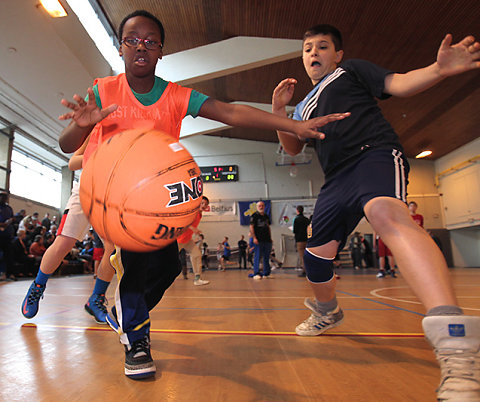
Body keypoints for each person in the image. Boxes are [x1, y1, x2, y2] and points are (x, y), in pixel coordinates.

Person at [56, 10, 347, 380]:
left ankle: (131, 315)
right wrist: (83, 125)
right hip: (114, 196)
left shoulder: (176, 96)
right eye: (132, 40)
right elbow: (67, 146)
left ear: (161, 50)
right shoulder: (103, 90)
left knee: (169, 267)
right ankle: (137, 341)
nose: (141, 47)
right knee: (137, 265)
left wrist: (291, 123)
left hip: (158, 200)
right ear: (120, 47)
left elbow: (232, 113)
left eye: (150, 41)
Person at [272, 24, 480, 400]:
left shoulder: (350, 71)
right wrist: (279, 110)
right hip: (335, 180)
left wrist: (438, 70)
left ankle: (456, 344)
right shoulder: (303, 106)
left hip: (374, 155)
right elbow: (291, 147)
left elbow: (398, 83)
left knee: (387, 216)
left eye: (322, 46)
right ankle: (328, 311)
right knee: (316, 261)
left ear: (336, 54)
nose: (313, 52)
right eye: (306, 48)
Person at [21, 138, 116, 325]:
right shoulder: (97, 129)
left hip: (111, 196)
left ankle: (96, 298)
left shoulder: (133, 131)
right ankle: (37, 286)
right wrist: (99, 155)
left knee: (113, 250)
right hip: (85, 191)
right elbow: (73, 163)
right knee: (64, 242)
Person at [177, 196, 210, 286]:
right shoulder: (192, 212)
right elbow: (182, 223)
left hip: (187, 240)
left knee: (197, 255)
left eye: (206, 204)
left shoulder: (199, 214)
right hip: (178, 240)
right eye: (202, 203)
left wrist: (195, 231)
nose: (204, 205)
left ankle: (197, 278)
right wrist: (193, 228)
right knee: (169, 260)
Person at [250, 201, 273, 279]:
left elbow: (268, 227)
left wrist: (270, 237)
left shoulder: (266, 216)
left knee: (266, 256)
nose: (261, 207)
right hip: (258, 240)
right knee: (258, 256)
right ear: (257, 207)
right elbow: (251, 227)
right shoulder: (254, 216)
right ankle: (256, 273)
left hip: (267, 239)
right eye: (259, 206)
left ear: (264, 206)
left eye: (262, 205)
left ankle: (266, 273)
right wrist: (254, 238)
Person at [0, 191, 15, 281]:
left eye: (5, 197)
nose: (3, 199)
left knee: (8, 255)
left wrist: (11, 220)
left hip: (7, 235)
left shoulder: (9, 208)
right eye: (2, 197)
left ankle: (9, 273)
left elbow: (12, 217)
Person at [293, 205, 310, 277]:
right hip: (307, 240)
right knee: (308, 256)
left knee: (302, 257)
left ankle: (305, 271)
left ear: (297, 210)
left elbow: (295, 230)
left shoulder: (296, 219)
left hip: (299, 240)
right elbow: (310, 230)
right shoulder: (306, 219)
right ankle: (310, 270)